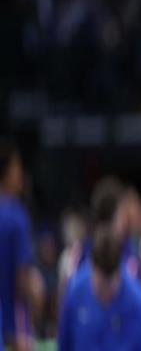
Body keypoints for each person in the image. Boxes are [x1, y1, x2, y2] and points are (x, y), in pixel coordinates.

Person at [57, 227, 141, 351]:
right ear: (91, 266)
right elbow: (63, 344)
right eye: (100, 286)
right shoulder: (74, 292)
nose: (105, 293)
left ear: (119, 270)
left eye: (110, 286)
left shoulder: (137, 302)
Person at [0, 138, 43, 351]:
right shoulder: (17, 217)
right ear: (6, 171)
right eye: (17, 166)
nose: (20, 173)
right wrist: (26, 325)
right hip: (13, 327)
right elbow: (22, 278)